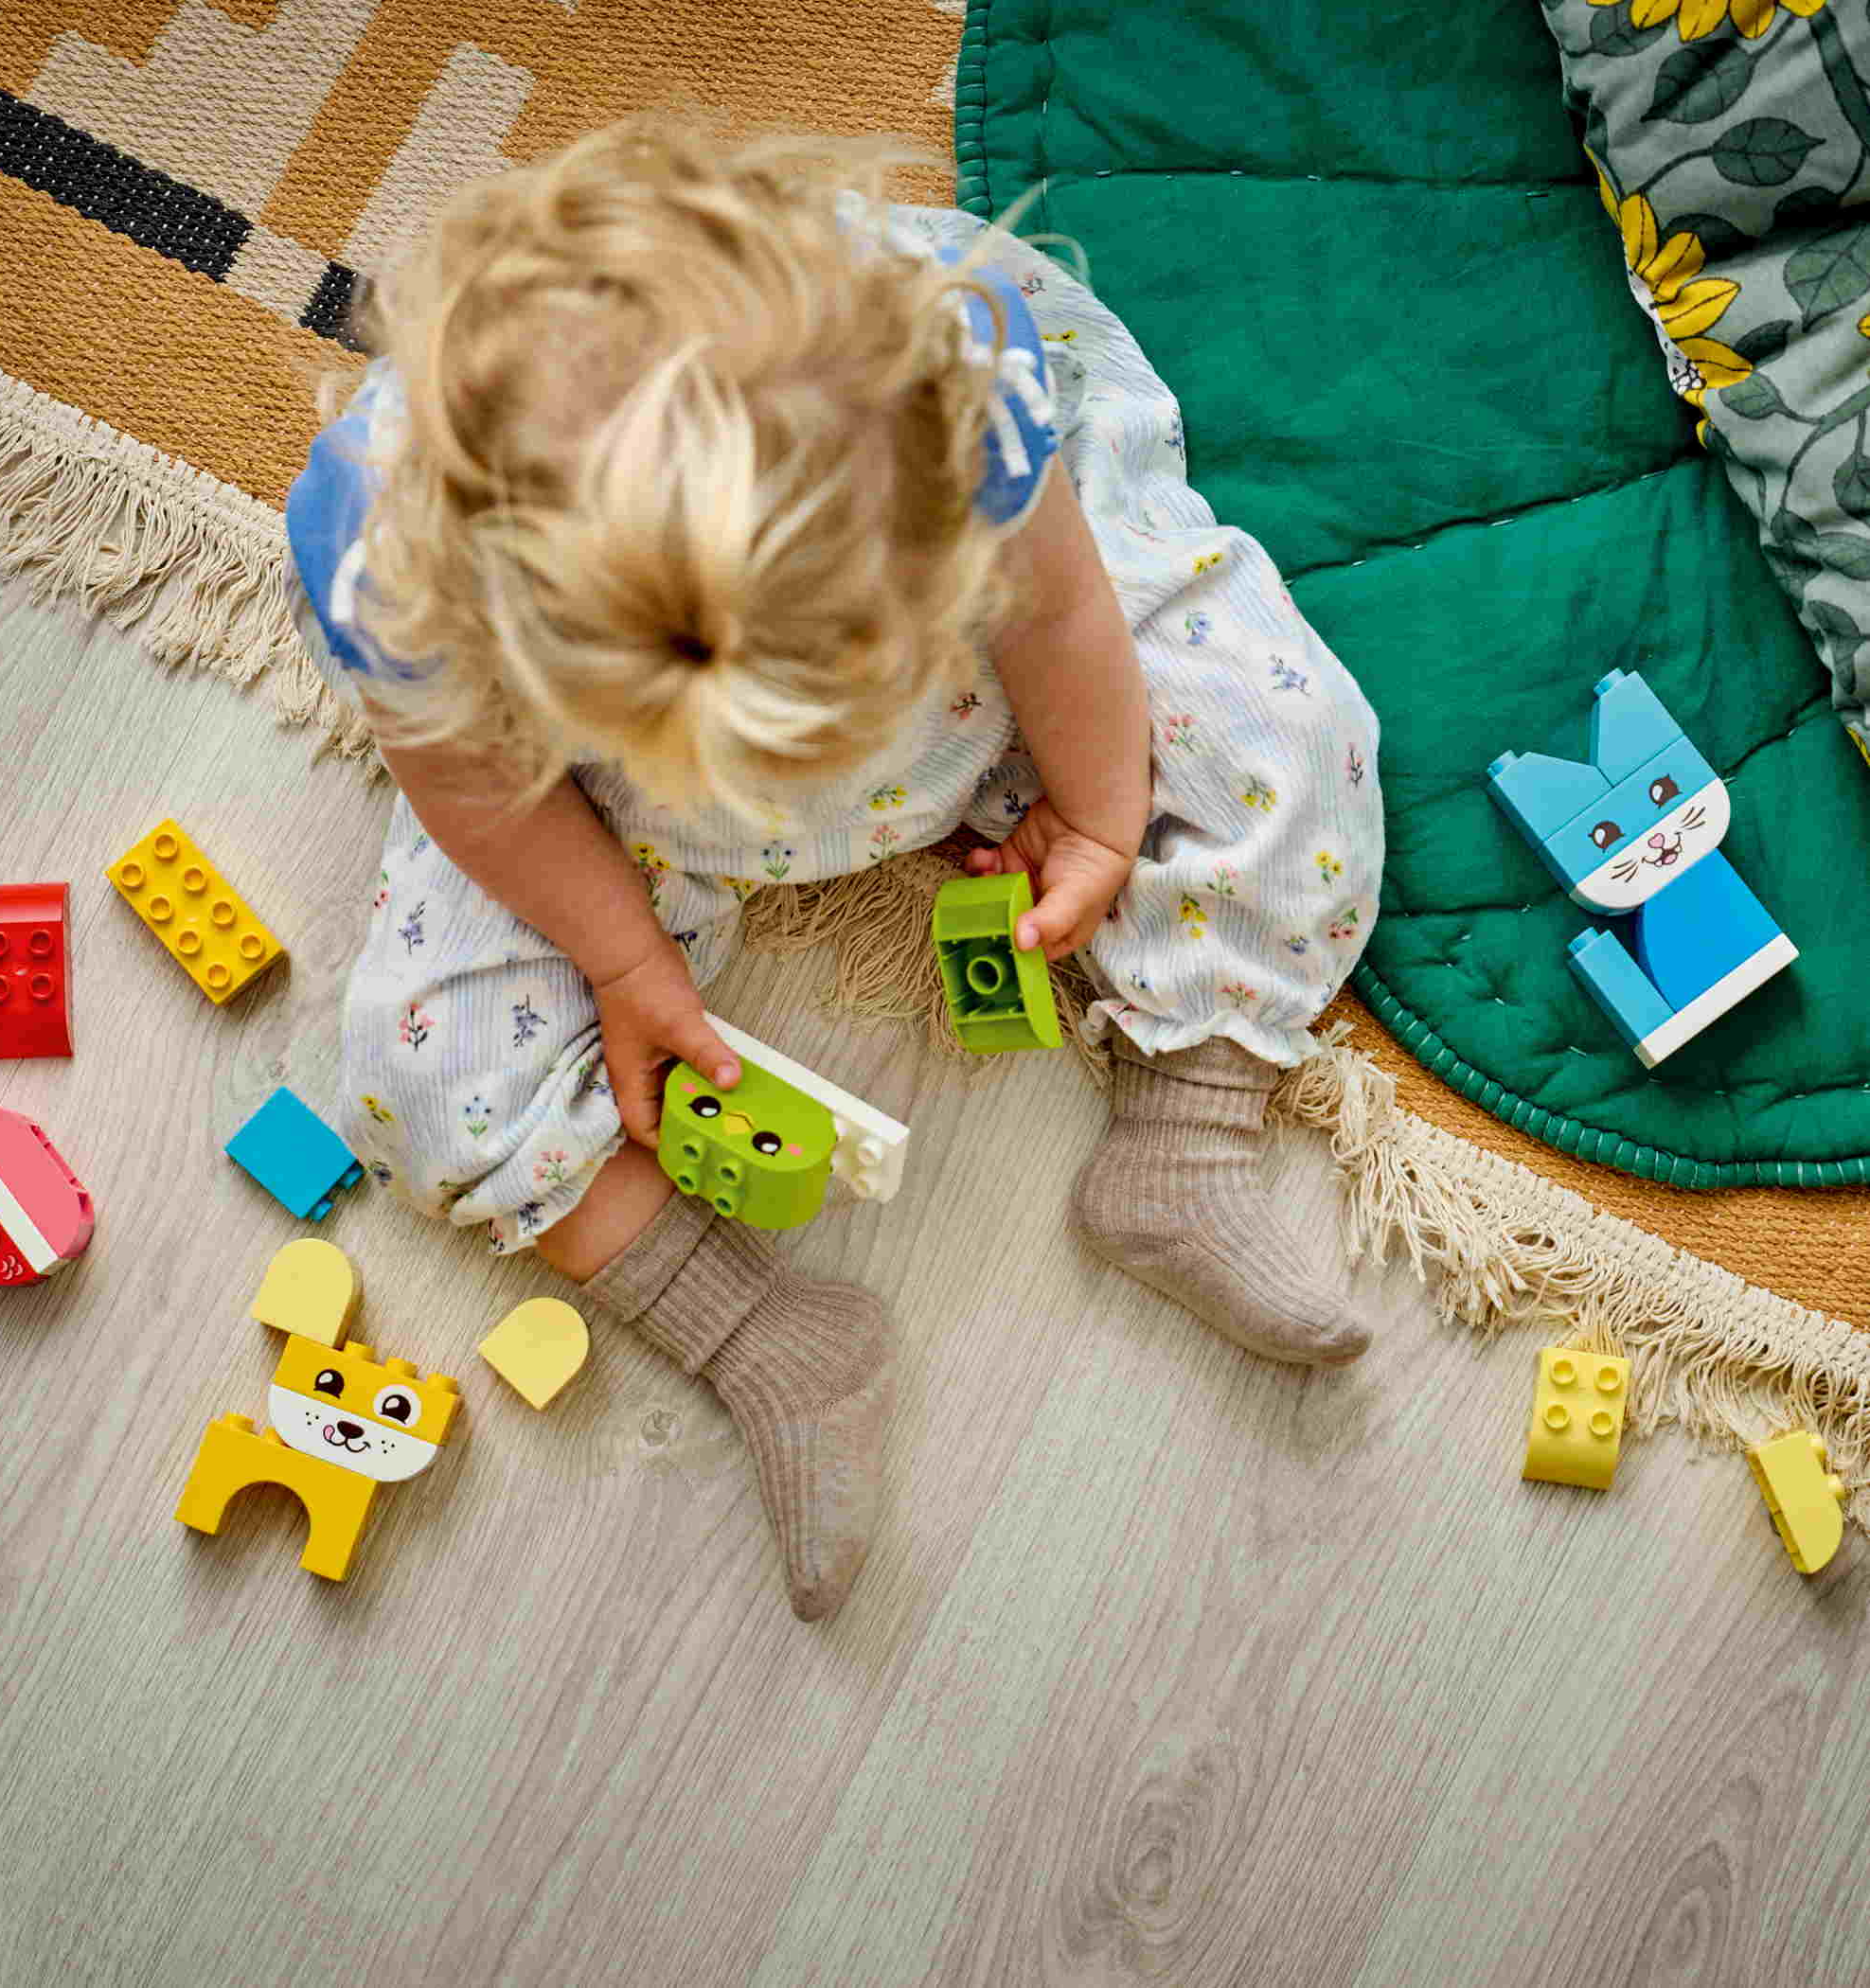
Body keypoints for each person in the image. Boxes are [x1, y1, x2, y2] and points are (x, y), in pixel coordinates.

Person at [285, 121, 1384, 1622]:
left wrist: (1099, 814)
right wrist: (622, 956)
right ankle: (763, 1336)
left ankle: (1188, 1130)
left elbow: (1060, 615)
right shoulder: (397, 559)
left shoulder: (936, 373)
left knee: (1283, 731)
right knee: (423, 1069)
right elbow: (478, 791)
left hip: (996, 648)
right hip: (614, 801)